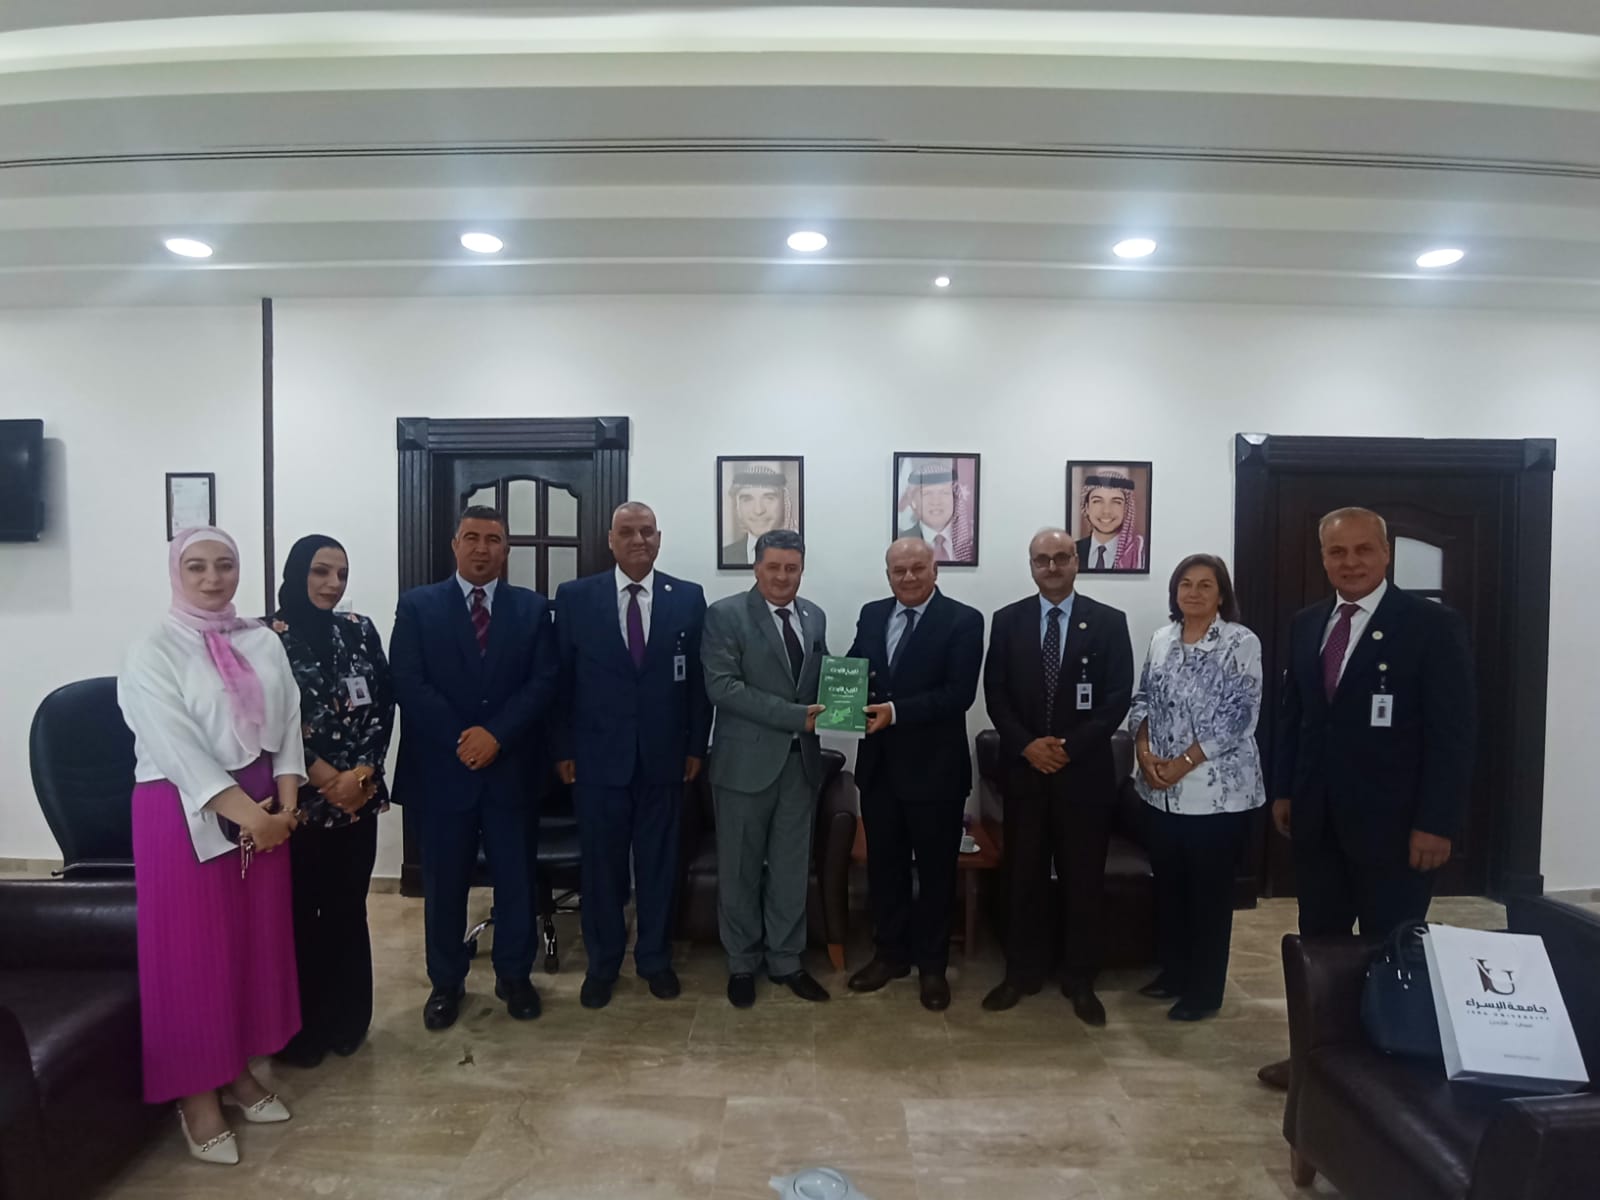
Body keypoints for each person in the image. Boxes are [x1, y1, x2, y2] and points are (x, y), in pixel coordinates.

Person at [1258, 506, 1476, 1088]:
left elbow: (1453, 734)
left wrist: (1438, 821)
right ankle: (1315, 1061)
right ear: (1323, 558)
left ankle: (1384, 1071)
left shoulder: (1431, 625)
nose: (1350, 562)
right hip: (1318, 820)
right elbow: (1296, 716)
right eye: (1337, 551)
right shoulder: (1308, 623)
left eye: (1362, 550)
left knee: (1387, 948)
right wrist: (1284, 789)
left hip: (1398, 827)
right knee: (1320, 949)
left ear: (1386, 554)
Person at [117, 527, 305, 1165]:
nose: (212, 578)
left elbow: (288, 724)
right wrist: (252, 817)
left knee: (249, 946)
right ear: (176, 573)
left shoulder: (261, 640)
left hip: (264, 808)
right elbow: (177, 749)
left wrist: (285, 806)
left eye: (224, 565)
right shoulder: (152, 648)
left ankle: (235, 1069)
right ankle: (196, 1095)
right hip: (183, 808)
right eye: (196, 566)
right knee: (192, 954)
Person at [389, 505, 559, 1031]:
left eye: (493, 539)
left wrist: (496, 735)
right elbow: (408, 681)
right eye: (472, 537)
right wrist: (463, 739)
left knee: (516, 880)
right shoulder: (417, 606)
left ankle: (515, 976)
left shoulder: (532, 609)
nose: (482, 548)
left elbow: (544, 681)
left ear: (506, 549)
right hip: (442, 771)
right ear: (455, 544)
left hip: (511, 769)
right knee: (444, 885)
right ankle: (446, 982)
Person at [553, 501, 711, 1009]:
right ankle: (602, 964)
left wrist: (695, 745)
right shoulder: (575, 597)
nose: (638, 540)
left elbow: (698, 684)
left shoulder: (688, 597)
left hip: (665, 758)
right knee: (601, 868)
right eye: (627, 531)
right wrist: (563, 747)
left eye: (647, 531)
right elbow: (561, 681)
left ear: (659, 538)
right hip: (596, 759)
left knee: (659, 866)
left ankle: (654, 959)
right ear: (610, 539)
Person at [981, 528, 1133, 1023]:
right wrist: (1028, 745)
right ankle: (1020, 973)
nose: (1051, 567)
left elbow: (1116, 698)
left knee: (1082, 881)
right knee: (1022, 879)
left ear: (1076, 562)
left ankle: (1079, 979)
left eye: (1061, 557)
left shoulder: (1109, 622)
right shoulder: (1008, 621)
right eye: (1042, 559)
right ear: (1031, 566)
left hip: (1083, 776)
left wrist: (1068, 748)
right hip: (1025, 776)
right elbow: (996, 693)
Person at [269, 534, 394, 1068]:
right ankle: (302, 1029)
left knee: (347, 908)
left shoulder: (358, 629)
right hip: (297, 804)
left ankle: (349, 1020)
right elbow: (264, 720)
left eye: (341, 574)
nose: (332, 584)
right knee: (300, 913)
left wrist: (362, 774)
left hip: (357, 801)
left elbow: (383, 704)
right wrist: (325, 778)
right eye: (321, 571)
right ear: (297, 572)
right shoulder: (265, 638)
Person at [845, 538, 984, 1010]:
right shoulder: (872, 614)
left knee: (936, 875)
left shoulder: (963, 620)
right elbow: (856, 668)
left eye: (917, 568)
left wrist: (894, 711)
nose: (908, 577)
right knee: (885, 871)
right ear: (887, 574)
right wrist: (837, 692)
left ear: (934, 569)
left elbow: (958, 694)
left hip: (936, 773)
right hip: (880, 770)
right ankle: (890, 956)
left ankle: (932, 967)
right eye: (898, 570)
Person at [1128, 554, 1265, 1022]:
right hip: (1160, 792)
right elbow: (1142, 699)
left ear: (1221, 594)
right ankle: (1174, 973)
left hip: (1216, 796)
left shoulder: (1239, 642)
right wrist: (1144, 753)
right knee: (1171, 890)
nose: (1194, 593)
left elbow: (1239, 717)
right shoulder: (1161, 639)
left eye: (1205, 585)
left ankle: (1204, 991)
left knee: (1209, 897)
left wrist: (1183, 762)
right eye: (1185, 584)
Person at [700, 528, 831, 1007]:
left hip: (801, 767)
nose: (782, 576)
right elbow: (723, 688)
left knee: (791, 870)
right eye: (773, 567)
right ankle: (741, 962)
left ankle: (786, 961)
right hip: (743, 766)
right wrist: (796, 717)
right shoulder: (725, 615)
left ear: (802, 569)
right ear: (756, 567)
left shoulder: (814, 615)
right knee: (739, 869)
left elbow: (818, 681)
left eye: (791, 568)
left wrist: (849, 698)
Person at [896, 458, 976, 564]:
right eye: (927, 493)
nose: (936, 501)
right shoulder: (901, 542)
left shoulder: (971, 545)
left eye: (944, 492)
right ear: (913, 502)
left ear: (955, 499)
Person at [721, 462, 794, 566]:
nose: (758, 510)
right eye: (747, 499)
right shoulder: (725, 555)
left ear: (784, 503)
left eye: (769, 498)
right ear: (737, 506)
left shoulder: (796, 554)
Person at [1076, 467, 1146, 572]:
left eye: (1116, 502)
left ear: (1126, 509)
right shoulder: (1072, 551)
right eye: (1097, 501)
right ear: (1087, 508)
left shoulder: (1139, 553)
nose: (1106, 511)